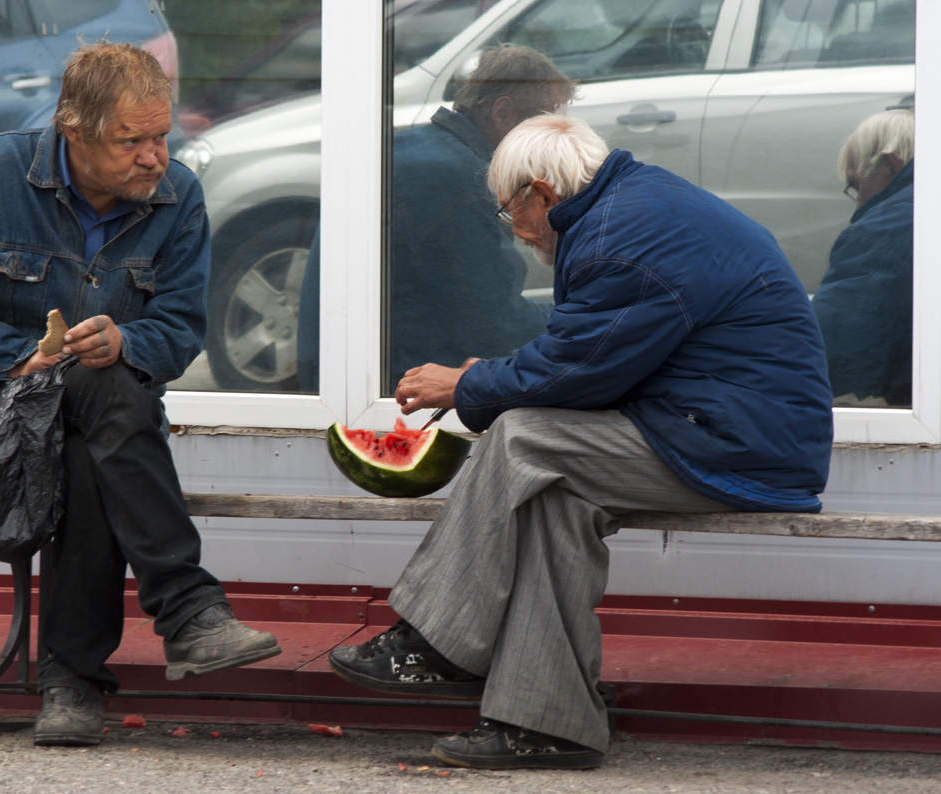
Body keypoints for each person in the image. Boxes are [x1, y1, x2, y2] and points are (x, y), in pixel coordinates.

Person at [329, 115, 833, 770]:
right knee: (551, 498)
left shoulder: (623, 237)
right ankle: (547, 724)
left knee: (520, 437)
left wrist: (470, 384)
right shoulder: (632, 208)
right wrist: (496, 377)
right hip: (719, 427)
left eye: (510, 210)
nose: (512, 229)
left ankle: (435, 642)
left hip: (735, 442)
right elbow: (589, 355)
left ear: (543, 192)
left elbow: (579, 370)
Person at [0, 42, 280, 747]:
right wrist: (25, 355)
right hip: (2, 422)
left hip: (110, 420)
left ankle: (71, 684)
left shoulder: (180, 197)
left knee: (94, 427)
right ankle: (188, 612)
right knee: (102, 405)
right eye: (130, 140)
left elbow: (181, 329)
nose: (154, 157)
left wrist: (128, 343)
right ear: (72, 130)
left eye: (162, 135)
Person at [297, 45, 576, 392]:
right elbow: (496, 323)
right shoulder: (461, 181)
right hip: (387, 392)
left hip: (343, 375)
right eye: (544, 130)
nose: (550, 149)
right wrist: (581, 317)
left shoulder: (415, 146)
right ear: (502, 113)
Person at [812, 109, 914, 407]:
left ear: (890, 163)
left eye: (857, 186)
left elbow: (829, 354)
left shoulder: (882, 234)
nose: (857, 208)